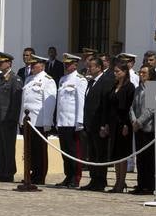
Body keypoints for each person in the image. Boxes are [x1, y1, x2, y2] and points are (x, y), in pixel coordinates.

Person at [19, 53, 57, 186]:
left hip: (39, 121)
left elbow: (49, 103)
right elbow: (24, 102)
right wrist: (21, 119)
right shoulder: (28, 79)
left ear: (42, 66)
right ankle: (30, 174)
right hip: (27, 121)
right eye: (31, 65)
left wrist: (47, 122)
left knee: (39, 150)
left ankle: (40, 176)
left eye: (34, 65)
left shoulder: (48, 80)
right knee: (29, 150)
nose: (32, 67)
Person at [55, 54, 87, 189]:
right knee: (65, 151)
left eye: (69, 64)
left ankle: (76, 177)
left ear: (75, 65)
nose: (66, 66)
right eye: (65, 64)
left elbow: (81, 101)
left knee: (74, 151)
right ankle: (68, 175)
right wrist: (57, 121)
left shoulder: (80, 80)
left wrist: (79, 121)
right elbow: (60, 102)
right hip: (62, 121)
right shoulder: (62, 79)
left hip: (72, 121)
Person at [0, 51, 22, 183]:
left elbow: (16, 101)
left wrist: (13, 118)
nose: (0, 64)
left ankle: (9, 172)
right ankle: (0, 171)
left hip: (8, 119)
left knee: (8, 147)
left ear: (9, 63)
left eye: (2, 62)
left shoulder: (15, 79)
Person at [103, 61, 135, 192]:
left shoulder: (130, 87)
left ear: (125, 72)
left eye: (118, 71)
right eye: (114, 71)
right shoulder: (114, 85)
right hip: (113, 122)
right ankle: (117, 181)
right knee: (116, 154)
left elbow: (129, 107)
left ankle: (122, 182)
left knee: (123, 154)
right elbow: (109, 105)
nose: (115, 74)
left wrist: (127, 124)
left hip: (124, 123)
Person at [81, 56, 111, 191]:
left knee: (100, 154)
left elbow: (105, 105)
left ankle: (100, 181)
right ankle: (94, 179)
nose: (89, 68)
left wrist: (104, 125)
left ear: (99, 67)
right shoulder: (91, 82)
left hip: (99, 125)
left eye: (91, 66)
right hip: (90, 124)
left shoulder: (105, 81)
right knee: (92, 154)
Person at [129, 64, 156, 195]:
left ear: (150, 74)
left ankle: (149, 186)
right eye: (140, 72)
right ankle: (141, 184)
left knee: (149, 158)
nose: (141, 75)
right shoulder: (138, 88)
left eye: (144, 73)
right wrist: (134, 120)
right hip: (138, 128)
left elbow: (152, 109)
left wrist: (139, 122)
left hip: (150, 129)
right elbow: (132, 106)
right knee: (140, 158)